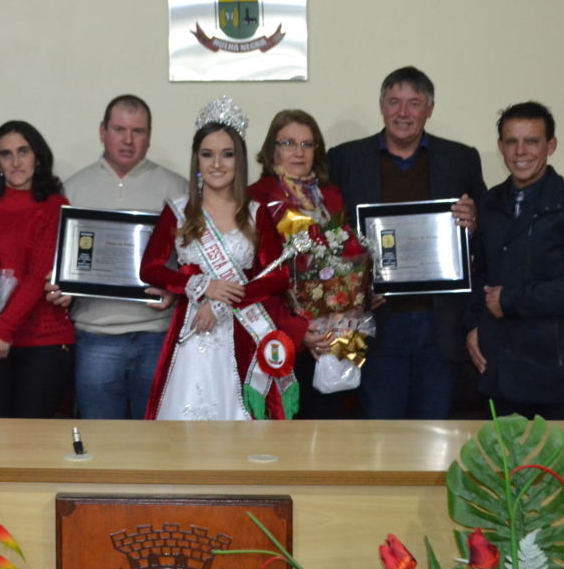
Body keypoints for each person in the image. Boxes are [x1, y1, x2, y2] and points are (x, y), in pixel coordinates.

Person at [327, 66, 485, 420]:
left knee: (435, 432)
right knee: (380, 432)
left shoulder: (461, 158)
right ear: (381, 106)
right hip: (375, 321)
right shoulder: (344, 159)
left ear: (430, 109)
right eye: (394, 102)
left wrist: (474, 223)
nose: (403, 113)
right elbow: (330, 236)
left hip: (439, 323)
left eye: (414, 103)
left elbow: (485, 231)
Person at [141, 97, 298, 421]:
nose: (217, 164)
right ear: (196, 160)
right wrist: (201, 285)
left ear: (239, 160)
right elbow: (150, 268)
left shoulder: (255, 213)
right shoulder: (179, 210)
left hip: (241, 332)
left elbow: (278, 276)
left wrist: (224, 300)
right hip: (192, 329)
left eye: (227, 154)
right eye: (207, 154)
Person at [466, 101, 564, 420]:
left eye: (531, 141)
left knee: (557, 470)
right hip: (499, 374)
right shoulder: (488, 206)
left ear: (550, 146)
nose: (520, 151)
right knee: (501, 469)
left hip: (557, 379)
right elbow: (478, 273)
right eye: (511, 142)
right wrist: (473, 325)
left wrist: (512, 300)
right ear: (501, 147)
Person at [58, 95, 187, 420]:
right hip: (95, 335)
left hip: (156, 333)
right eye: (119, 129)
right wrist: (58, 285)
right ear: (103, 131)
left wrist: (175, 290)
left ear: (149, 135)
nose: (128, 140)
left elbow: (193, 261)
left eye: (138, 131)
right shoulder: (72, 189)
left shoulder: (177, 189)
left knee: (155, 442)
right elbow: (57, 261)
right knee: (101, 443)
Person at [248, 109, 358, 419]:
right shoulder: (255, 198)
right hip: (285, 336)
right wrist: (298, 329)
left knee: (340, 424)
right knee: (290, 433)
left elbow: (350, 258)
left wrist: (358, 298)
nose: (299, 152)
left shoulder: (332, 195)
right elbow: (256, 279)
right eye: (288, 143)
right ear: (272, 150)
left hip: (338, 333)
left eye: (308, 145)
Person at [0, 120, 73, 418]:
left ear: (37, 156)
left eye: (23, 151)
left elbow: (37, 275)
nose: (16, 162)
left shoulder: (55, 205)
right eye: (6, 154)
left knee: (31, 442)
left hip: (42, 341)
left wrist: (3, 331)